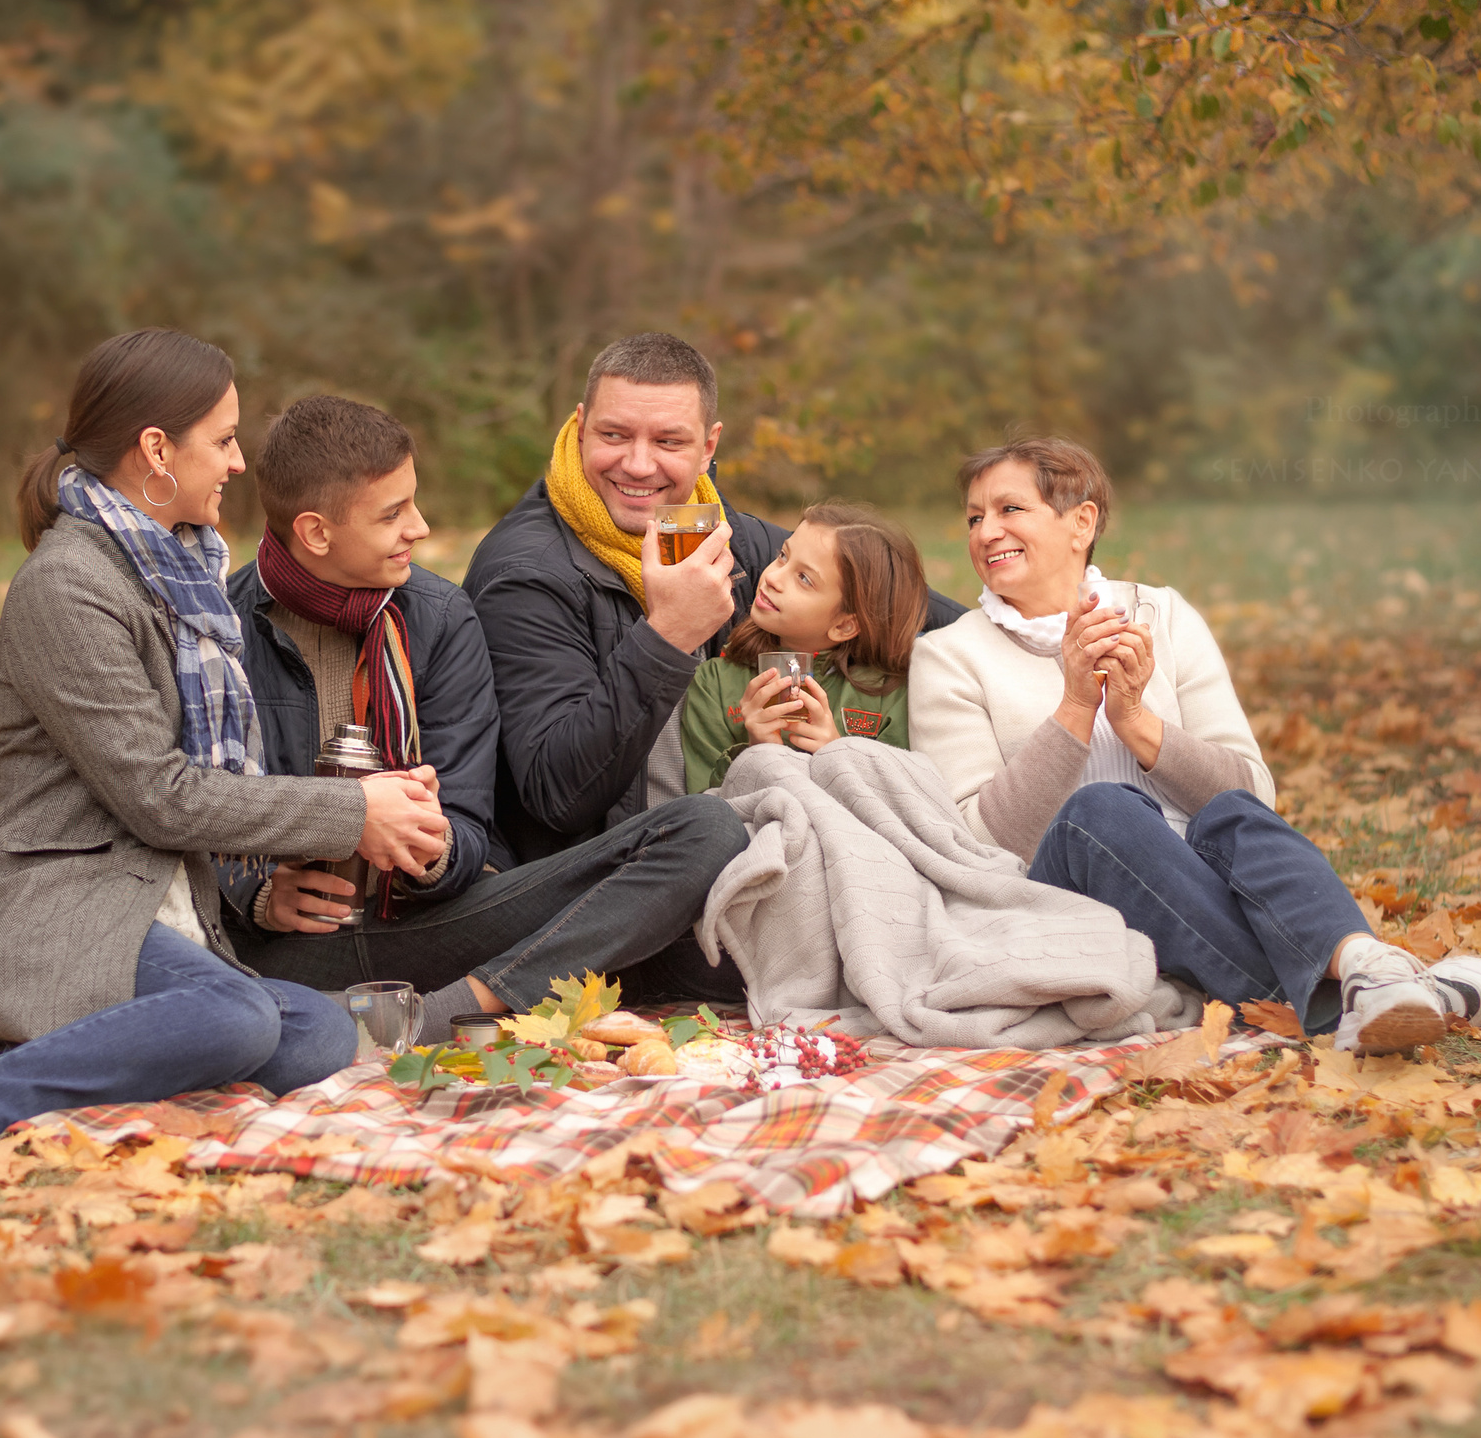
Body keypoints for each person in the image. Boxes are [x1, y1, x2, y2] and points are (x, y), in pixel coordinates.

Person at [0, 331, 450, 1186]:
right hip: (58, 900)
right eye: (222, 441)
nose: (237, 463)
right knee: (232, 1022)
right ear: (157, 450)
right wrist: (354, 810)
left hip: (159, 903)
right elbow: (161, 796)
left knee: (322, 1038)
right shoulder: (69, 586)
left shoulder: (180, 571)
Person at [906, 435, 1481, 1053]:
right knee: (1101, 809)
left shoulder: (1161, 617)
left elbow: (1254, 792)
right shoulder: (950, 656)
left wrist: (1138, 721)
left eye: (1010, 510)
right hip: (1055, 899)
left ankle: (1369, 970)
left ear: (1081, 522)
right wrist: (1078, 707)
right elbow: (973, 844)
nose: (985, 533)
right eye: (975, 518)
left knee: (1232, 811)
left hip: (1199, 882)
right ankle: (1388, 994)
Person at [224, 395, 750, 1034]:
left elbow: (472, 830)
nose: (419, 527)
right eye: (393, 514)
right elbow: (179, 806)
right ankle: (343, 1011)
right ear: (315, 531)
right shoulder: (219, 630)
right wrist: (255, 898)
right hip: (278, 951)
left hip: (430, 930)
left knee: (706, 830)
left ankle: (448, 1012)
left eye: (413, 502)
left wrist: (432, 844)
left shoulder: (439, 618)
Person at [463, 331, 963, 865]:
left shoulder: (724, 534)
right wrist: (668, 635)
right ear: (581, 427)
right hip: (607, 875)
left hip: (742, 841)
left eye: (668, 442)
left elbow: (913, 610)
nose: (637, 464)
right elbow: (557, 798)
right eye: (614, 434)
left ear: (708, 447)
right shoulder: (527, 575)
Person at [678, 502, 928, 792]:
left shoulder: (893, 694)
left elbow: (908, 808)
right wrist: (756, 755)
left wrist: (838, 755)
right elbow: (701, 815)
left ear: (845, 626)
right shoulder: (714, 684)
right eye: (783, 556)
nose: (772, 577)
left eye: (804, 579)